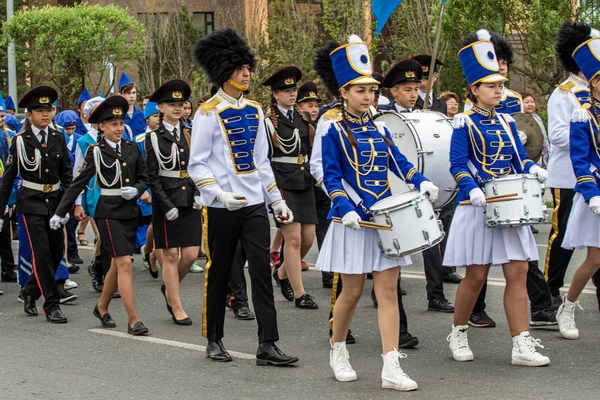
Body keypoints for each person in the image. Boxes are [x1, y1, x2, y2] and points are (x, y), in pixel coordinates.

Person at [316, 35, 439, 390]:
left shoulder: (380, 127)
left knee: (389, 291)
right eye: (360, 90)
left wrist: (422, 181)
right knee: (352, 292)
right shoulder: (332, 129)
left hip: (384, 219)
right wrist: (345, 208)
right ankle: (337, 349)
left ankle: (390, 366)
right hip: (353, 220)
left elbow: (399, 164)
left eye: (371, 90)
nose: (368, 96)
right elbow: (332, 177)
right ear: (344, 92)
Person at [189, 27, 298, 365]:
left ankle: (267, 344)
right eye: (240, 69)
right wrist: (218, 195)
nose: (247, 74)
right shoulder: (206, 112)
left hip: (253, 205)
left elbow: (262, 162)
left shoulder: (254, 110)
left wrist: (276, 200)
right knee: (219, 270)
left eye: (248, 68)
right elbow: (197, 164)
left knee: (262, 272)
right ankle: (214, 339)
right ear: (225, 72)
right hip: (221, 207)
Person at [444, 29, 550, 367]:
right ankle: (458, 331)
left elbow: (518, 157)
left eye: (500, 85)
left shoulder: (506, 121)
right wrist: (472, 188)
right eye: (491, 86)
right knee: (476, 275)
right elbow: (457, 164)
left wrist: (532, 170)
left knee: (518, 271)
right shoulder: (464, 122)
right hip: (478, 206)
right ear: (474, 90)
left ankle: (521, 343)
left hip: (510, 205)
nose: (498, 90)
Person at [467, 30, 557, 329]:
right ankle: (473, 310)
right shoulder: (470, 110)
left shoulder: (513, 99)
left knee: (521, 256)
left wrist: (528, 163)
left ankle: (540, 305)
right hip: (483, 188)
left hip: (513, 183)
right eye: (496, 61)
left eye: (503, 62)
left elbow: (524, 137)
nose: (501, 67)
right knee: (478, 265)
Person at [51, 95, 150, 335]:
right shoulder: (95, 152)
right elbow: (78, 183)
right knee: (125, 262)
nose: (118, 128)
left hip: (129, 211)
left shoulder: (131, 148)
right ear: (101, 126)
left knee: (118, 263)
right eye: (112, 124)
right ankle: (133, 319)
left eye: (120, 123)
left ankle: (102, 306)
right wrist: (60, 211)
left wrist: (136, 190)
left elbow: (145, 177)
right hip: (107, 212)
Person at [382, 60, 456, 313]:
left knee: (431, 240)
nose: (414, 95)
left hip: (424, 184)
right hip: (395, 188)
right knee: (393, 246)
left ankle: (435, 295)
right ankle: (382, 291)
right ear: (394, 92)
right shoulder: (385, 119)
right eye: (407, 90)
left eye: (416, 89)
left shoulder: (431, 111)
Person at [0, 86, 73, 323]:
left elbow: (67, 176)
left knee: (54, 254)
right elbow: (8, 178)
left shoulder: (58, 138)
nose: (45, 114)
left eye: (49, 109)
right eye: (39, 110)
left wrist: (67, 206)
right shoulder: (20, 141)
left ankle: (30, 291)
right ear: (29, 114)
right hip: (30, 204)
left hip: (54, 202)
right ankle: (51, 305)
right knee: (41, 254)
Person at [545, 22, 600, 313]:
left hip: (595, 176)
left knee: (596, 243)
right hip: (568, 175)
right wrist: (587, 135)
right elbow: (555, 135)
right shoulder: (563, 93)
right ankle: (551, 289)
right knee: (561, 236)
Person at [145, 79, 201, 325]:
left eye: (181, 104)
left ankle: (169, 288)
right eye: (172, 104)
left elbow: (198, 166)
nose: (177, 108)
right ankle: (176, 304)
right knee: (169, 255)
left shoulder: (189, 134)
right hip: (166, 200)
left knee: (189, 255)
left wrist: (199, 191)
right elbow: (152, 176)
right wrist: (165, 205)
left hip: (189, 197)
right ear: (161, 108)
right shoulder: (153, 138)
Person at [264, 66, 318, 309]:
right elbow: (264, 158)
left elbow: (311, 149)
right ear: (275, 94)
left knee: (308, 238)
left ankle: (282, 273)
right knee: (293, 238)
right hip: (282, 181)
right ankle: (300, 293)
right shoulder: (266, 122)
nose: (292, 94)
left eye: (293, 89)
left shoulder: (304, 118)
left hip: (304, 180)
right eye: (286, 90)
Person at [0, 95, 17, 283]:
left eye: (2, 116)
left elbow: (12, 170)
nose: (1, 120)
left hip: (3, 189)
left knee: (4, 231)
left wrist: (11, 199)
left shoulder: (10, 136)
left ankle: (7, 267)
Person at [118, 72, 146, 139]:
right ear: (120, 95)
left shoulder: (142, 116)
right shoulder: (117, 116)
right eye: (128, 93)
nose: (132, 96)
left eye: (134, 93)